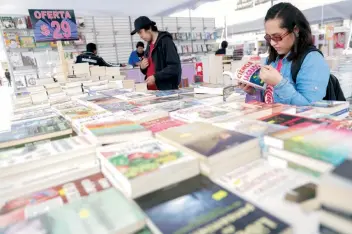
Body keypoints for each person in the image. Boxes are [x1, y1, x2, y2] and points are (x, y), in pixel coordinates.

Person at [240, 2, 329, 106]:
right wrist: (253, 91)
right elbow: (269, 99)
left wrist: (279, 84)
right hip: (272, 120)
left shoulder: (312, 60)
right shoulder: (271, 60)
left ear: (295, 30)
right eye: (268, 37)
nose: (272, 43)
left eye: (277, 37)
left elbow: (312, 108)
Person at [131, 16, 181, 90]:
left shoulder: (165, 41)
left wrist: (155, 77)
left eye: (140, 32)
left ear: (149, 28)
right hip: (152, 91)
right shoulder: (149, 44)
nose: (140, 36)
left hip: (166, 91)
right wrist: (142, 67)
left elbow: (174, 67)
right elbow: (150, 68)